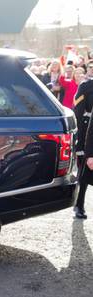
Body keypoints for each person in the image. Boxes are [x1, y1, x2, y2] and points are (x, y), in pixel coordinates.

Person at [73, 77, 93, 219]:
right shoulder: (86, 86)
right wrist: (79, 138)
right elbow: (78, 111)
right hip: (87, 131)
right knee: (84, 172)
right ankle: (79, 204)